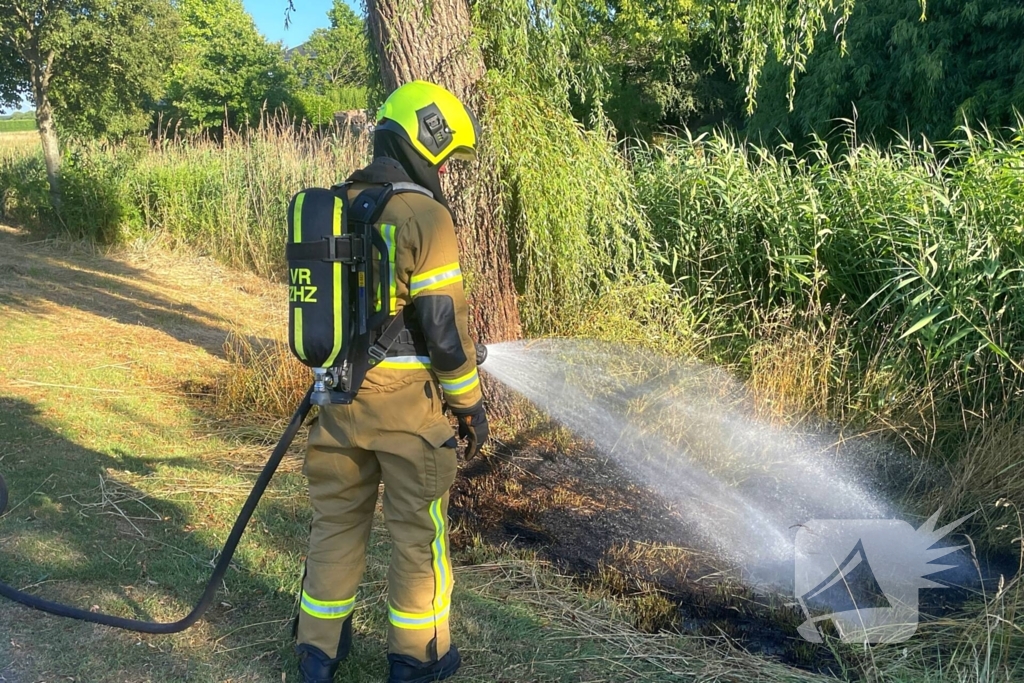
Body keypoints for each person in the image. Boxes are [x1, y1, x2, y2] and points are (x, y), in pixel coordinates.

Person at [294, 80, 489, 683]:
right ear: (425, 141)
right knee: (417, 534)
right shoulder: (424, 215)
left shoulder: (338, 203)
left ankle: (317, 654)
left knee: (336, 524)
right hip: (407, 412)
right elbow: (441, 330)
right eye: (445, 158)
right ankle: (418, 658)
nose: (444, 171)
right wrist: (470, 404)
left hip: (339, 401)